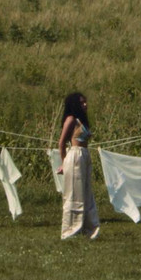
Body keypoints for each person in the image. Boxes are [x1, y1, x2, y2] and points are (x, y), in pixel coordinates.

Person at [57, 92, 100, 240]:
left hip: (84, 155)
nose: (85, 105)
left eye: (85, 102)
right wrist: (64, 163)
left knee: (86, 192)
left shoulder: (82, 120)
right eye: (81, 103)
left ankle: (88, 228)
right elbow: (61, 143)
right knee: (74, 193)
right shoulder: (71, 120)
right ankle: (70, 230)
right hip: (75, 155)